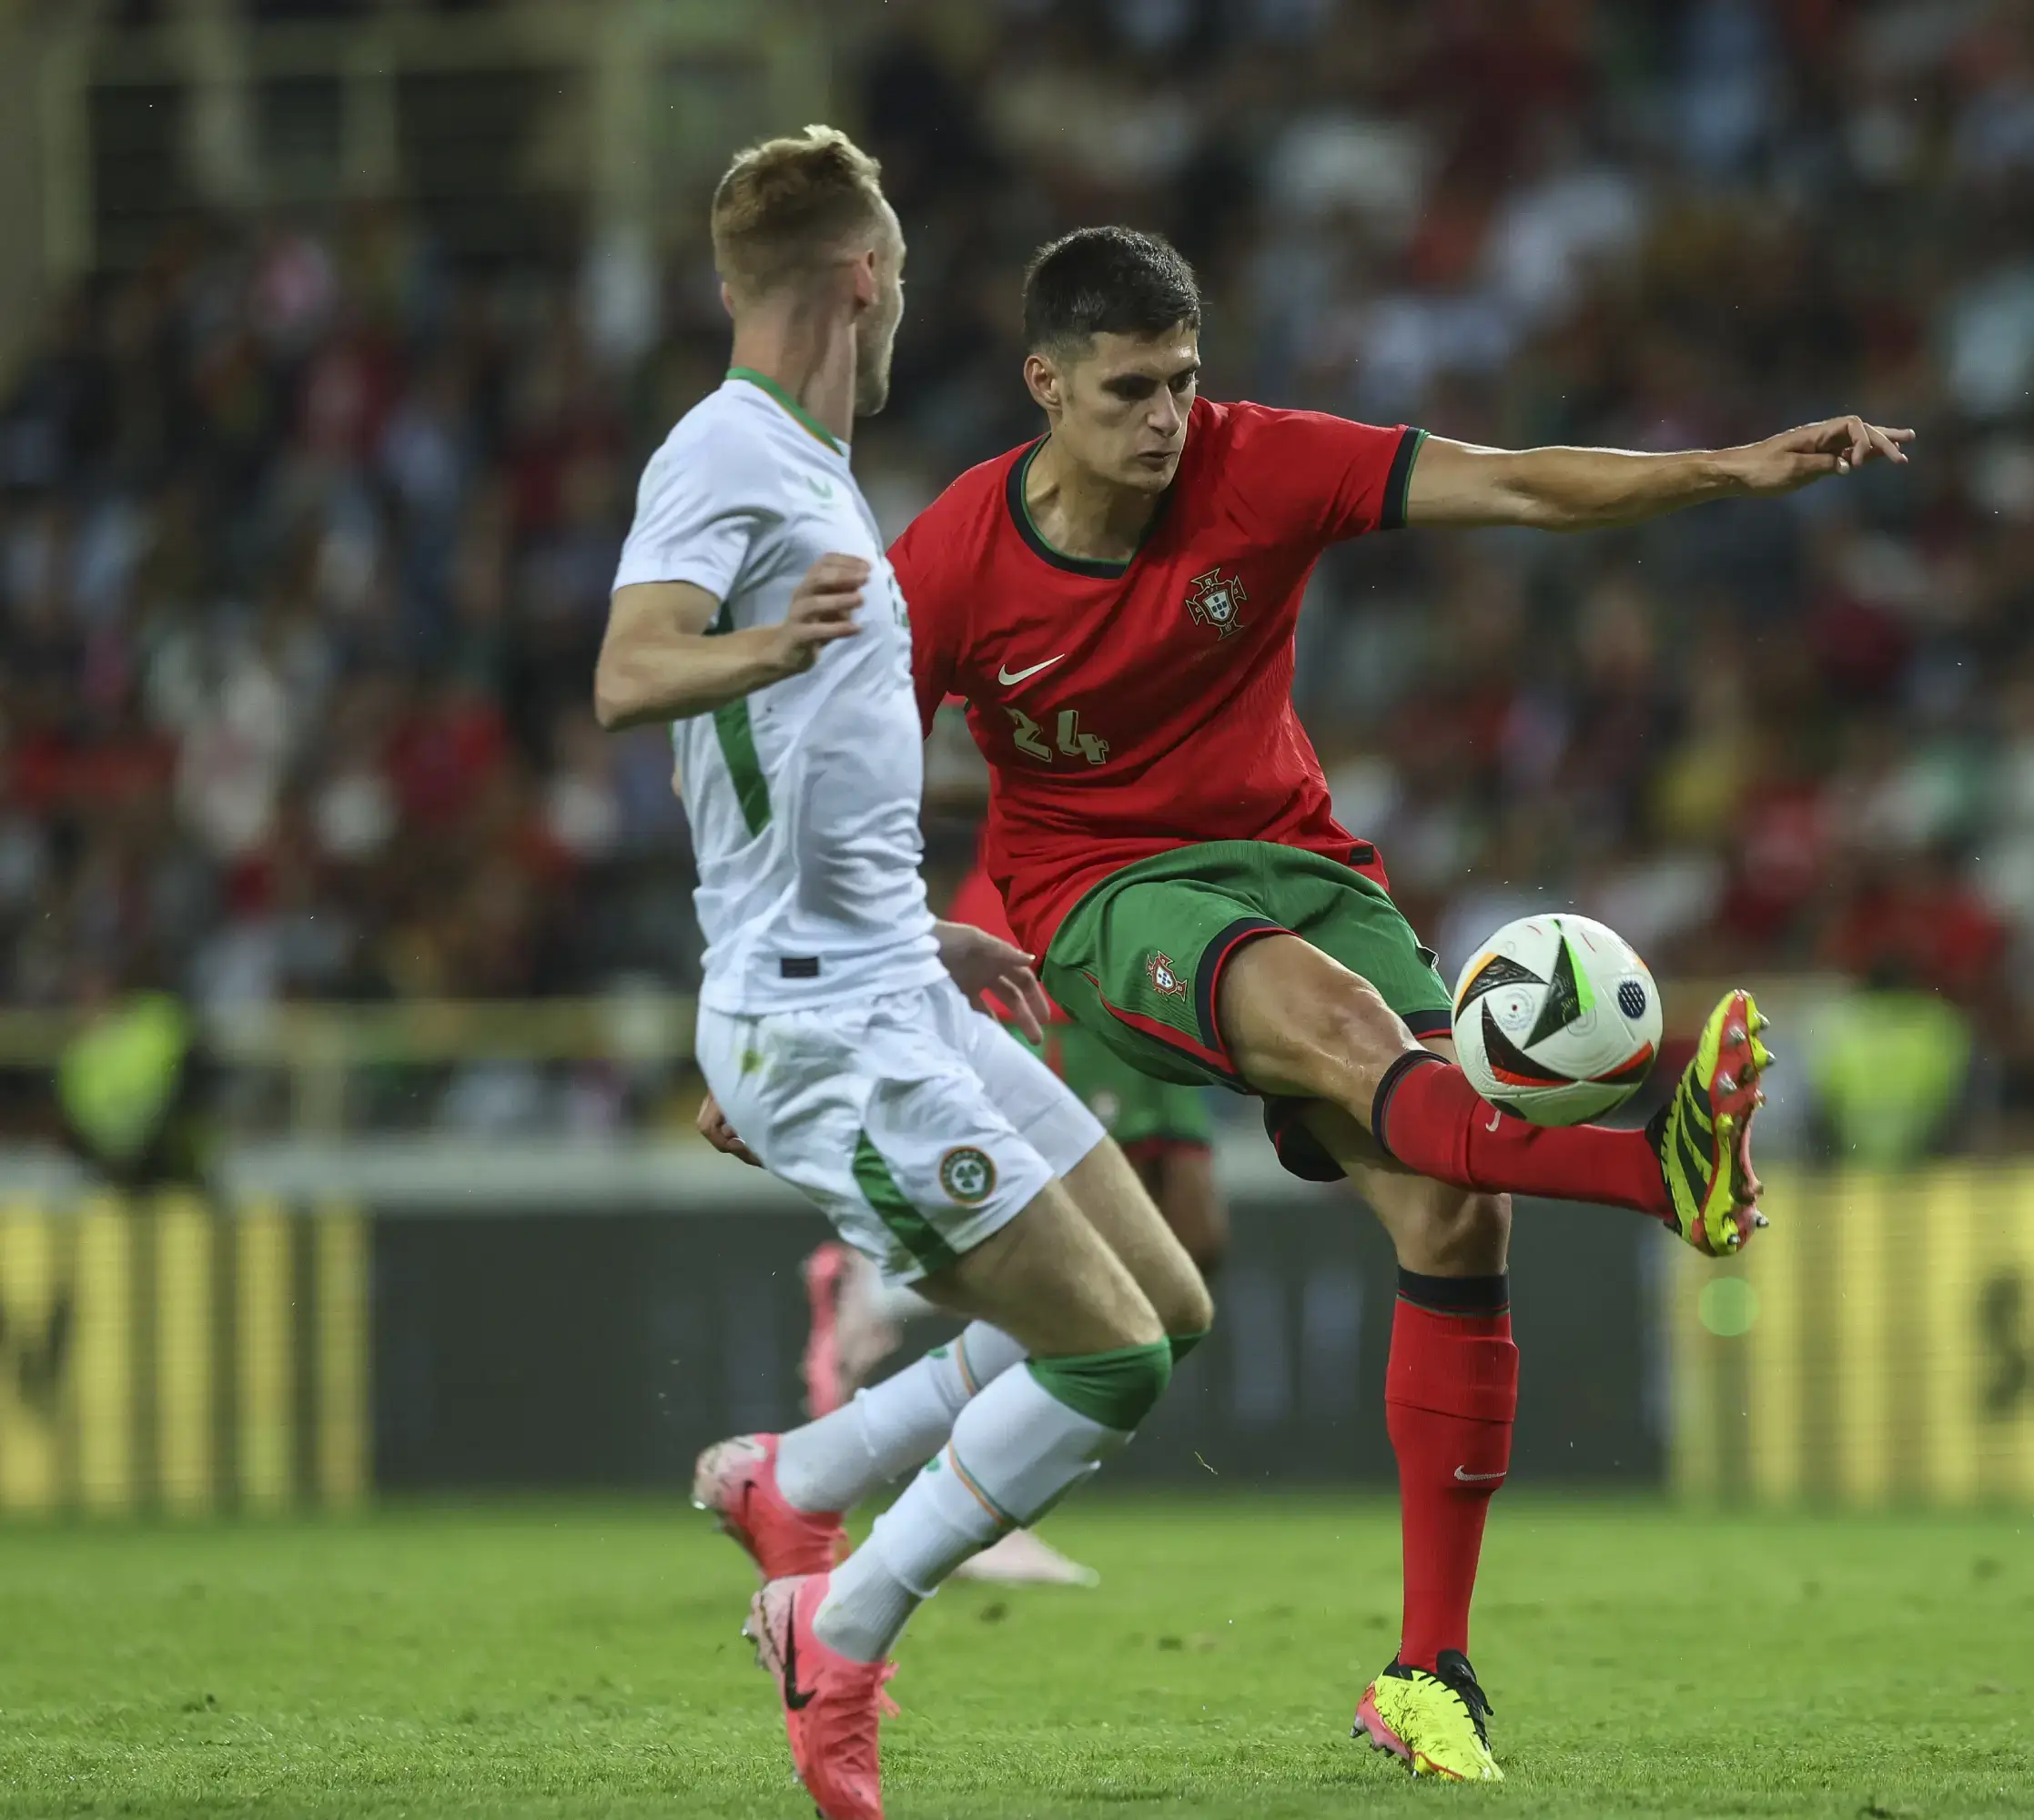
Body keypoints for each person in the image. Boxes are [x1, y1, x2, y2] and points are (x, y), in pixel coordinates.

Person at [890, 224, 1909, 1780]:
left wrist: (1731, 471)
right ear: (1045, 383)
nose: (1166, 418)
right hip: (1104, 894)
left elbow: (1512, 483)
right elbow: (845, 776)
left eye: (1183, 381)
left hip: (1297, 859)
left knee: (1454, 1215)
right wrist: (837, 963)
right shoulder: (955, 557)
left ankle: (1427, 1671)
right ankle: (1657, 1171)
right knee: (1370, 1056)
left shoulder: (1263, 461)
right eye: (1128, 390)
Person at [593, 130, 1213, 1820]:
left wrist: (914, 925)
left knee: (1167, 1306)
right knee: (1112, 1364)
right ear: (862, 280)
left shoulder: (803, 460)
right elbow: (630, 673)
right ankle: (840, 1624)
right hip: (820, 1015)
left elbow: (775, 764)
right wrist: (765, 645)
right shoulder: (726, 455)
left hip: (884, 976)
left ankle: (797, 1482)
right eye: (903, 280)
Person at [797, 861, 1230, 1587]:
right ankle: (976, 1506)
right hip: (1060, 948)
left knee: (1187, 1247)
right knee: (1073, 1261)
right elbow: (976, 771)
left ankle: (878, 1330)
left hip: (1167, 949)